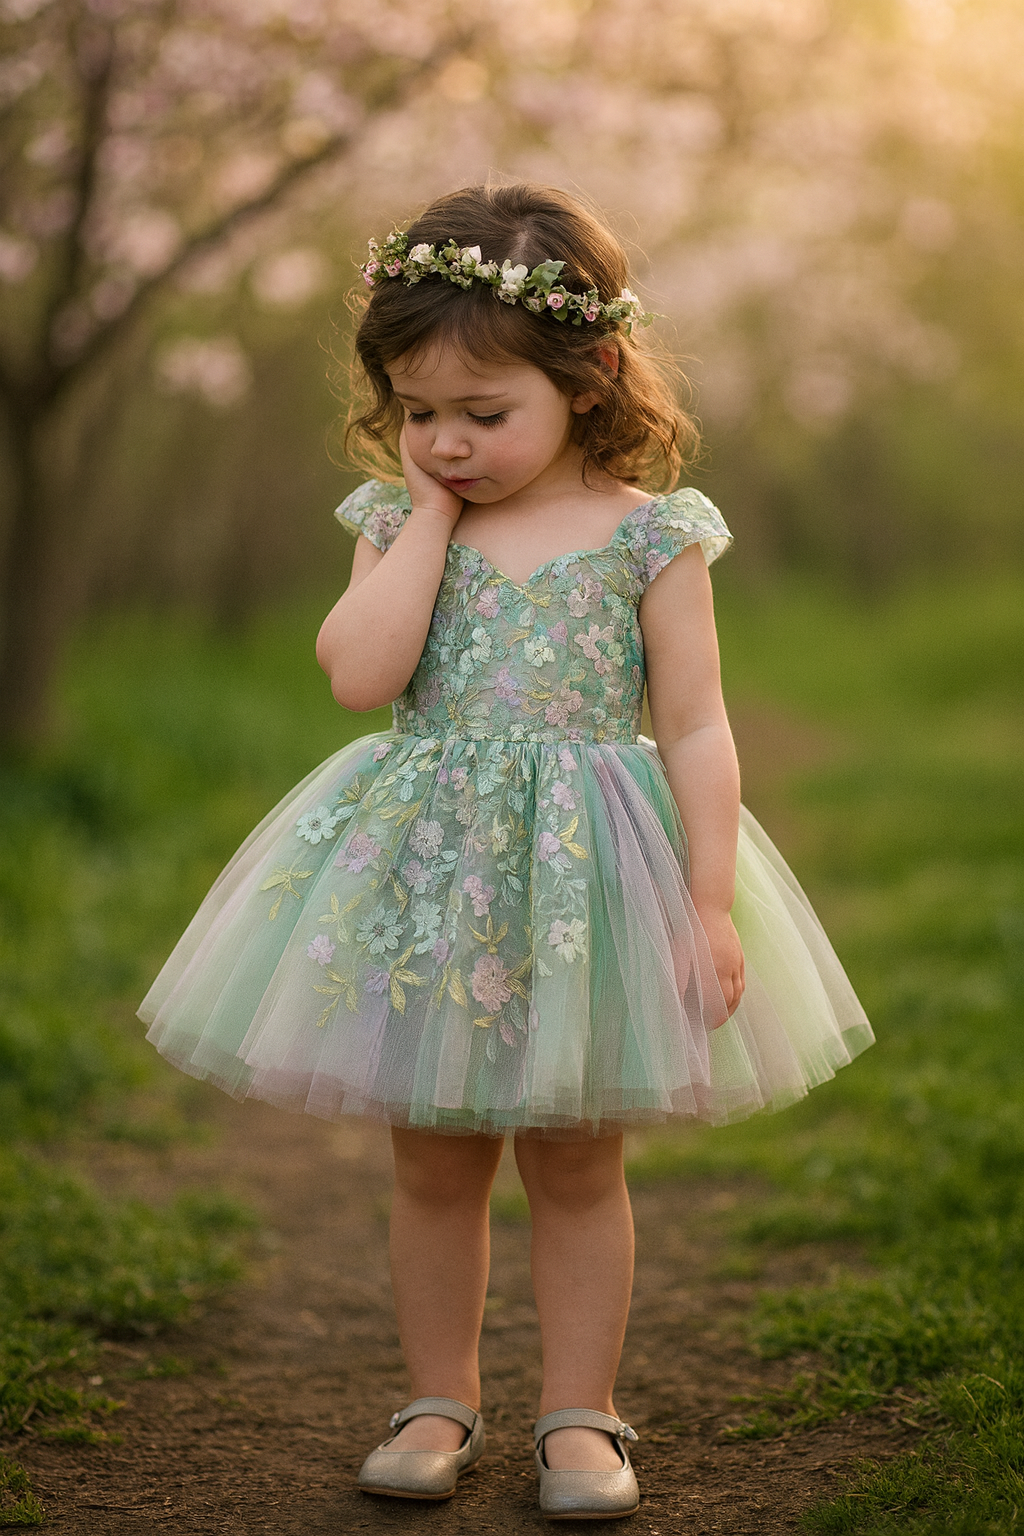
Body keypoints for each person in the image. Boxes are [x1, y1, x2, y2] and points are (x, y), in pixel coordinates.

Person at [139, 182, 873, 1521]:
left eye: (485, 416)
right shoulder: (399, 521)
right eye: (420, 413)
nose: (449, 442)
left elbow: (698, 726)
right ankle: (437, 1399)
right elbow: (360, 677)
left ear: (589, 381)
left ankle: (580, 1418)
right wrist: (423, 514)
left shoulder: (652, 532)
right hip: (432, 876)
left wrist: (706, 900)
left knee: (580, 1154)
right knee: (432, 1151)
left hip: (589, 876)